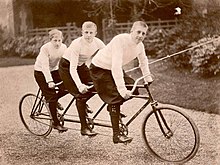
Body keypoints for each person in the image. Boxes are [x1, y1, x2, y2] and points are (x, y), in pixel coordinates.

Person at [89, 21, 153, 144]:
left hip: (113, 68)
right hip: (100, 68)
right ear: (131, 31)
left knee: (133, 88)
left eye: (143, 34)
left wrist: (147, 77)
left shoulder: (140, 46)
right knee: (115, 97)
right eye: (138, 32)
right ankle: (116, 135)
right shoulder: (120, 40)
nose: (140, 36)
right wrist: (122, 90)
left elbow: (143, 62)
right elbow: (116, 66)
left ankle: (112, 109)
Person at [59, 21, 105, 136]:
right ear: (82, 32)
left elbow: (107, 55)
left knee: (97, 84)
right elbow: (72, 69)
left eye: (91, 33)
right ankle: (84, 128)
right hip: (67, 66)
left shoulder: (98, 42)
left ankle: (84, 104)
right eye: (86, 32)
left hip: (81, 66)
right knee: (80, 95)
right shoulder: (77, 44)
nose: (88, 35)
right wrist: (79, 85)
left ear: (95, 33)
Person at [34, 29, 68, 132]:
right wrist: (49, 81)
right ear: (50, 40)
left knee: (67, 88)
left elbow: (65, 63)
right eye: (55, 40)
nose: (57, 43)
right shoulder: (45, 48)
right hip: (40, 72)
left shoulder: (64, 47)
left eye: (59, 40)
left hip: (54, 70)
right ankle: (55, 123)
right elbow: (44, 67)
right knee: (52, 96)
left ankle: (51, 100)